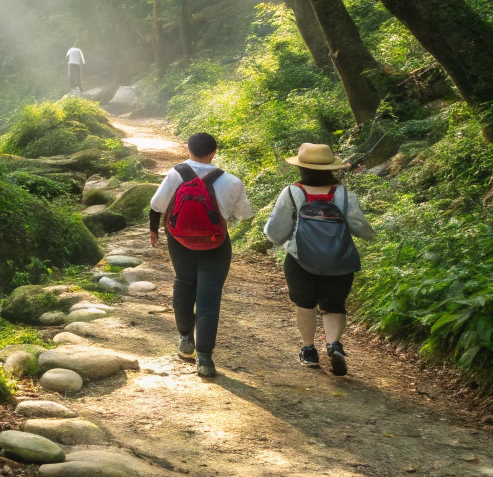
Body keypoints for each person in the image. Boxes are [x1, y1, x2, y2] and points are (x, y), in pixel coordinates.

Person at [263, 142, 373, 376]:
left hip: (301, 259)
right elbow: (358, 226)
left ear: (301, 168)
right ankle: (333, 345)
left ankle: (309, 350)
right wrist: (372, 237)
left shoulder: (292, 192)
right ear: (330, 168)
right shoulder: (344, 193)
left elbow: (276, 229)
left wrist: (279, 241)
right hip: (340, 260)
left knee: (305, 304)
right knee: (334, 306)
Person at [148, 132, 253, 378]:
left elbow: (156, 205)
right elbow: (244, 216)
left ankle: (186, 340)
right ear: (214, 152)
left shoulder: (177, 173)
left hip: (179, 241)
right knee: (208, 297)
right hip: (216, 244)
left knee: (183, 283)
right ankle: (205, 359)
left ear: (189, 150)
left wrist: (154, 230)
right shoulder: (232, 181)